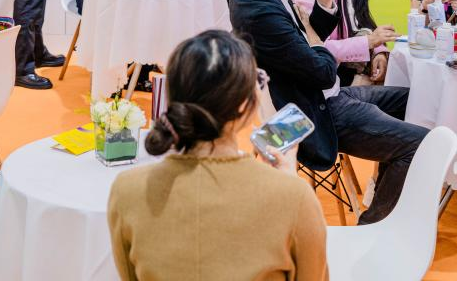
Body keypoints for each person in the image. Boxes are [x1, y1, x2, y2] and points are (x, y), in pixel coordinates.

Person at [230, 0, 428, 224]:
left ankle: (384, 194)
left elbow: (309, 46)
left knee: (416, 98)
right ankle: (373, 229)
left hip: (324, 94)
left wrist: (322, 8)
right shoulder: (259, 8)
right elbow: (323, 71)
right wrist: (316, 33)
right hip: (309, 111)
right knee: (420, 143)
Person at [108, 30, 327, 281]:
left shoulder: (127, 190)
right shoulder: (295, 197)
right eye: (258, 79)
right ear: (243, 104)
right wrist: (289, 181)